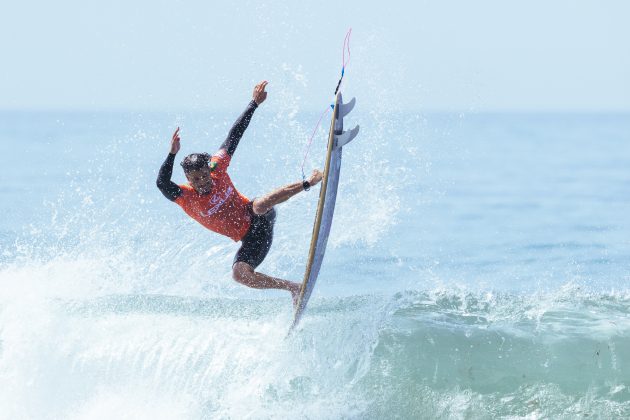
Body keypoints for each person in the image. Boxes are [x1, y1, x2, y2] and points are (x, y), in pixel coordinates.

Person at [156, 81, 323, 306]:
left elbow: (234, 135)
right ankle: (293, 288)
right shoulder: (184, 196)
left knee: (260, 204)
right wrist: (171, 154)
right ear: (188, 179)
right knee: (239, 275)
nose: (203, 181)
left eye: (204, 175)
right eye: (196, 179)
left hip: (258, 217)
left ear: (208, 169)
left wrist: (254, 103)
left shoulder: (217, 167)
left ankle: (309, 182)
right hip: (252, 240)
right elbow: (161, 182)